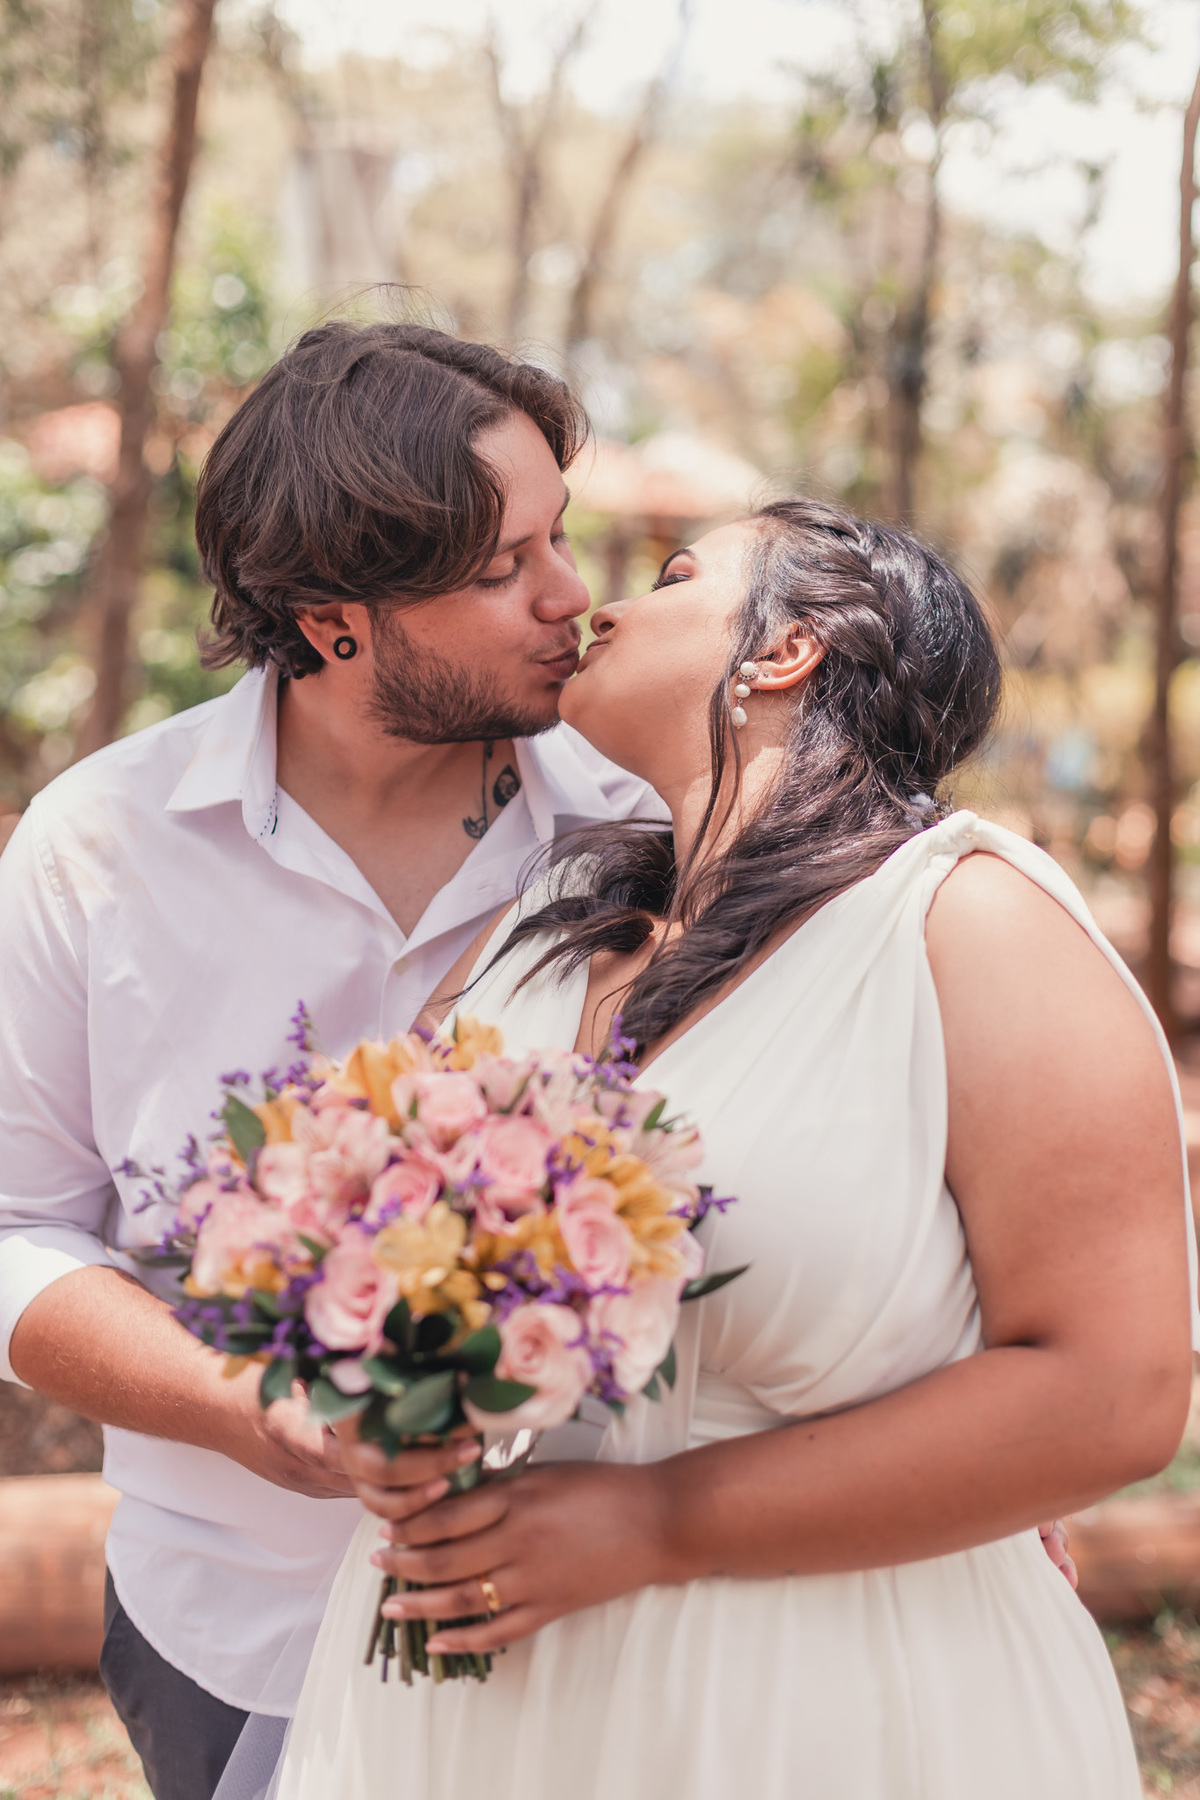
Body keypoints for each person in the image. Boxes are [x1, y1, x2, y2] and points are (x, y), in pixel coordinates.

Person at [272, 499, 1197, 1800]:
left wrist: (660, 1522)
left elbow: (1116, 1394)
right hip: (474, 1693)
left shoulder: (969, 923)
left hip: (815, 1703)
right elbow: (377, 1210)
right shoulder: (537, 923)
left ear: (786, 650)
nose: (601, 600)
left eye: (673, 575)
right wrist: (383, 1400)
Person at [0, 320, 658, 1800]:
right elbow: (16, 1233)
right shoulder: (95, 851)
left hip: (594, 1637)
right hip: (225, 1638)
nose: (573, 600)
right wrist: (244, 1415)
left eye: (563, 538)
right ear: (332, 621)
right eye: (502, 569)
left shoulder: (651, 839)